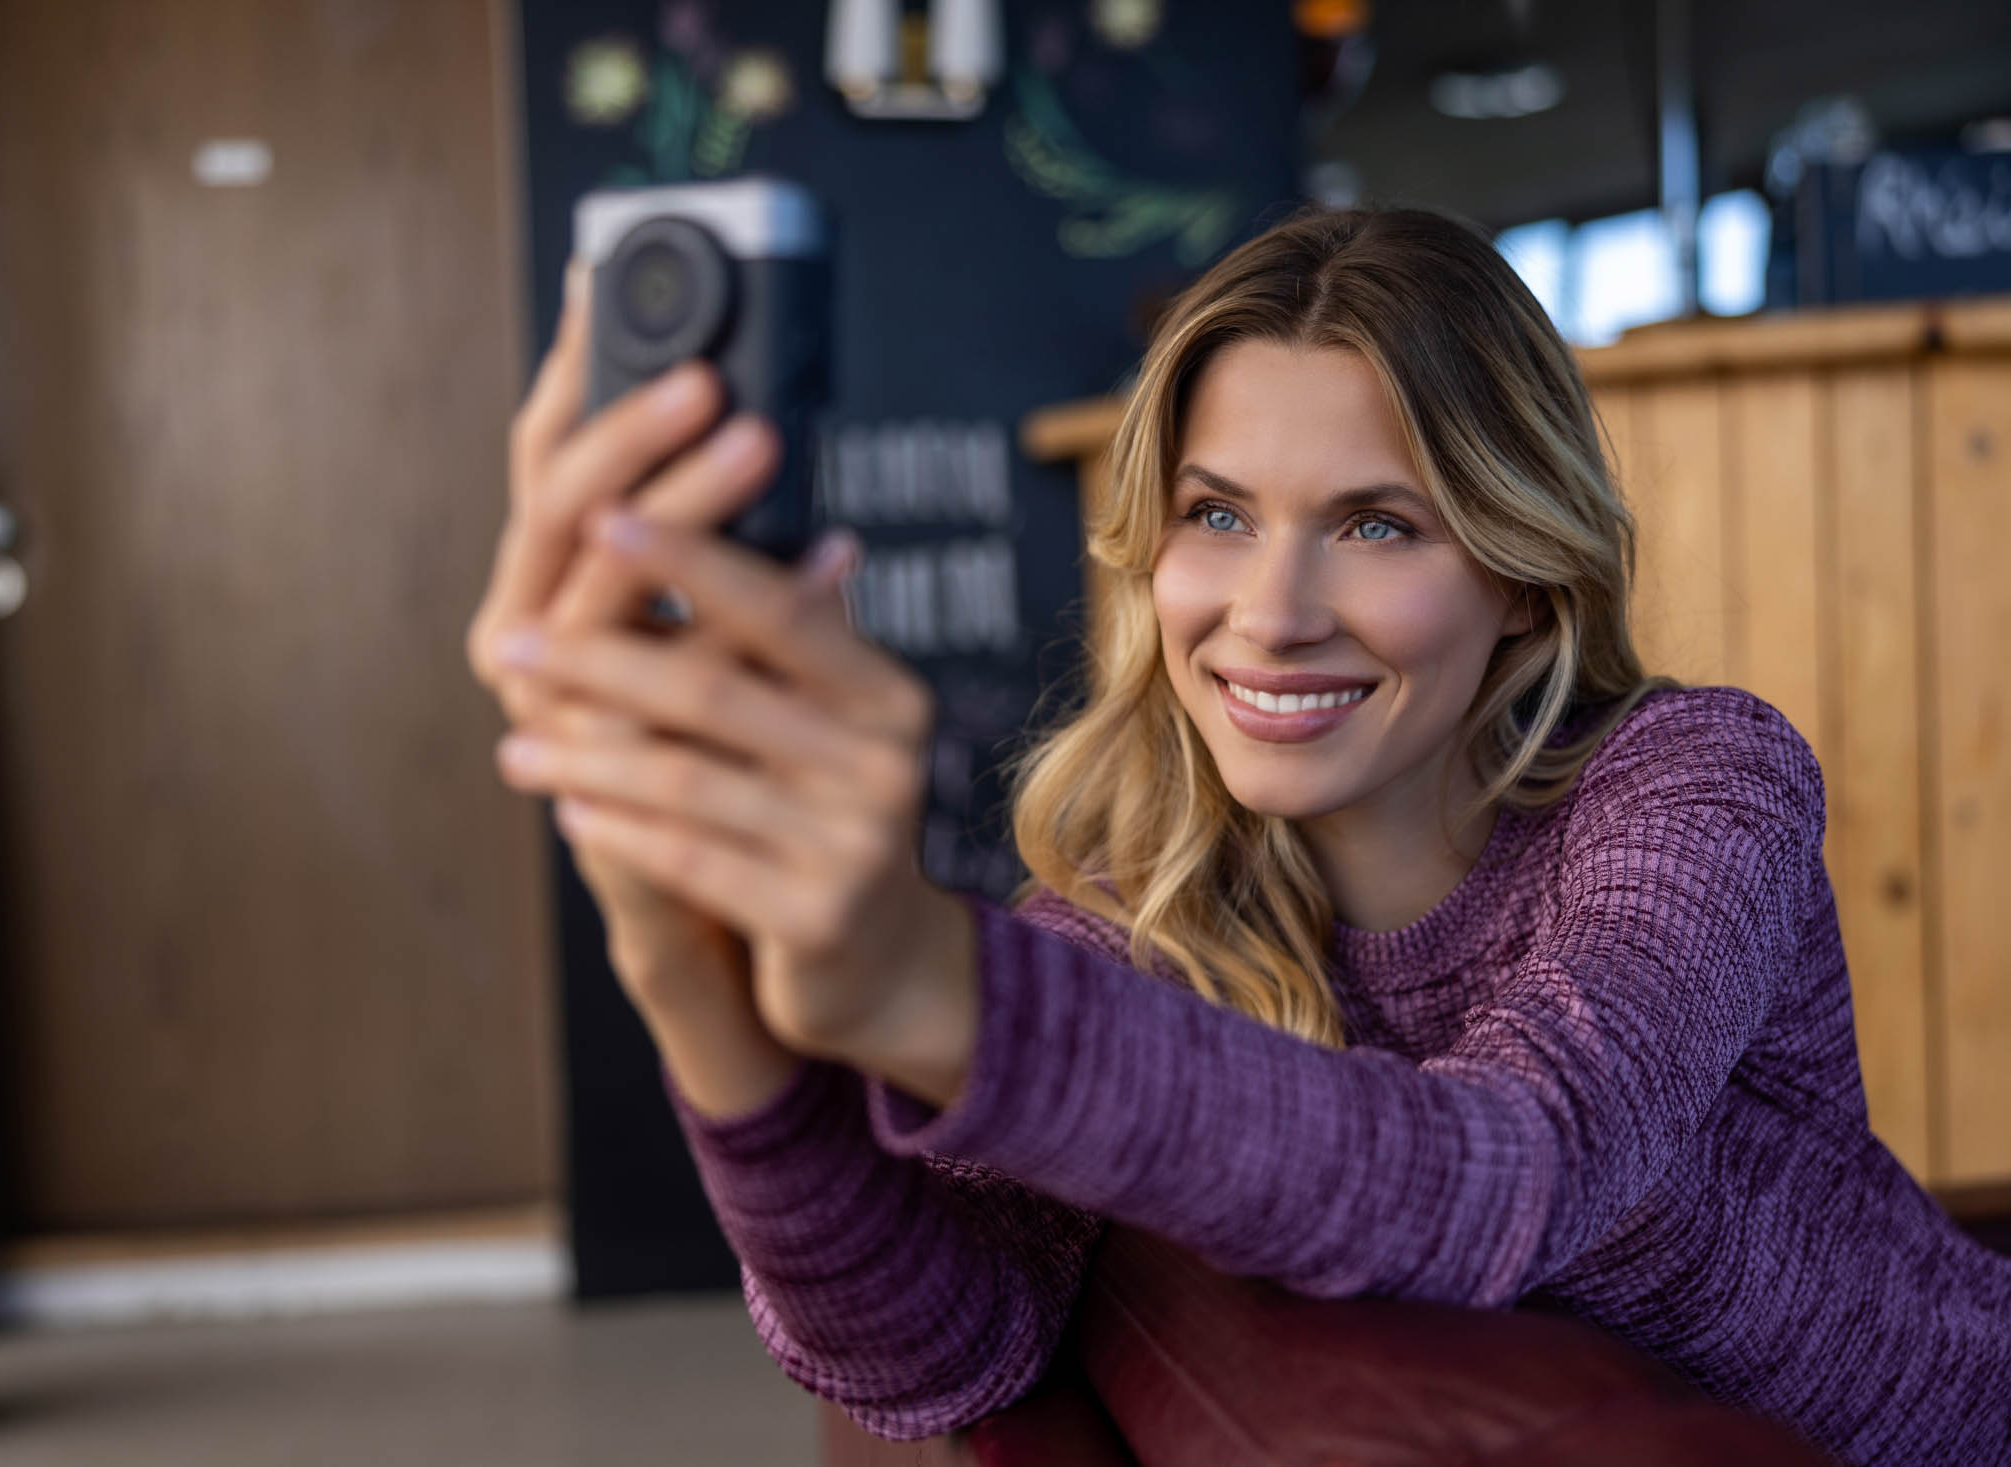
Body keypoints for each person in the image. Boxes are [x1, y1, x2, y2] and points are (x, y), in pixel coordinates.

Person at [466, 205, 2011, 1467]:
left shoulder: (1695, 783)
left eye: (1375, 524)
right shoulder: (1133, 923)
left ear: (1525, 573)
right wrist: (688, 981)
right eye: (1217, 516)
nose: (1268, 617)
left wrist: (936, 994)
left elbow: (1510, 1174)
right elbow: (941, 1356)